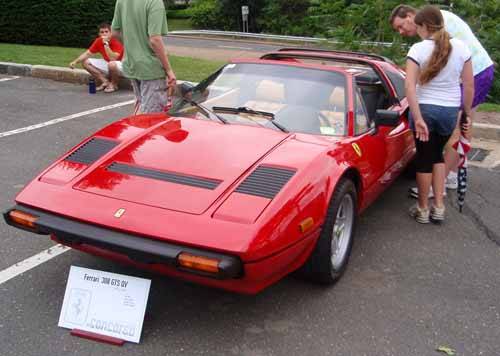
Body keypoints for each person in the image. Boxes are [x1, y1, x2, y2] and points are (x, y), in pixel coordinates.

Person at [390, 4, 494, 198]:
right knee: (459, 127)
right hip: (476, 73)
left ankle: (439, 183)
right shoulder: (437, 21)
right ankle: (452, 174)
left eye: (401, 26)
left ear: (411, 16)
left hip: (476, 74)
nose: (402, 32)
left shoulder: (440, 21)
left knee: (458, 128)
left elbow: (442, 63)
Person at [404, 5, 473, 223]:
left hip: (424, 108)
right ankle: (439, 207)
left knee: (424, 159)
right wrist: (466, 113)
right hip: (449, 111)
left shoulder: (417, 49)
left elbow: (409, 87)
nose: (418, 32)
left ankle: (423, 209)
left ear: (424, 26)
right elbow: (469, 85)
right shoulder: (461, 47)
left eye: (418, 27)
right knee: (438, 157)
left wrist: (418, 118)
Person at [111, 0, 176, 114]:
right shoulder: (154, 2)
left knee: (140, 106)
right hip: (151, 67)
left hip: (132, 63)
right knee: (152, 117)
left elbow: (115, 32)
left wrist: (132, 46)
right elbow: (155, 40)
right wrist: (169, 70)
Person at [69, 23, 124, 93]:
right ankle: (105, 81)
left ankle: (114, 85)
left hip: (123, 65)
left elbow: (113, 58)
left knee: (112, 64)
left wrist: (106, 44)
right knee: (86, 62)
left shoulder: (116, 41)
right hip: (109, 63)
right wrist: (75, 62)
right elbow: (87, 53)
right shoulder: (98, 41)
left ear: (111, 33)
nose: (104, 34)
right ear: (99, 34)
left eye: (106, 32)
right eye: (102, 32)